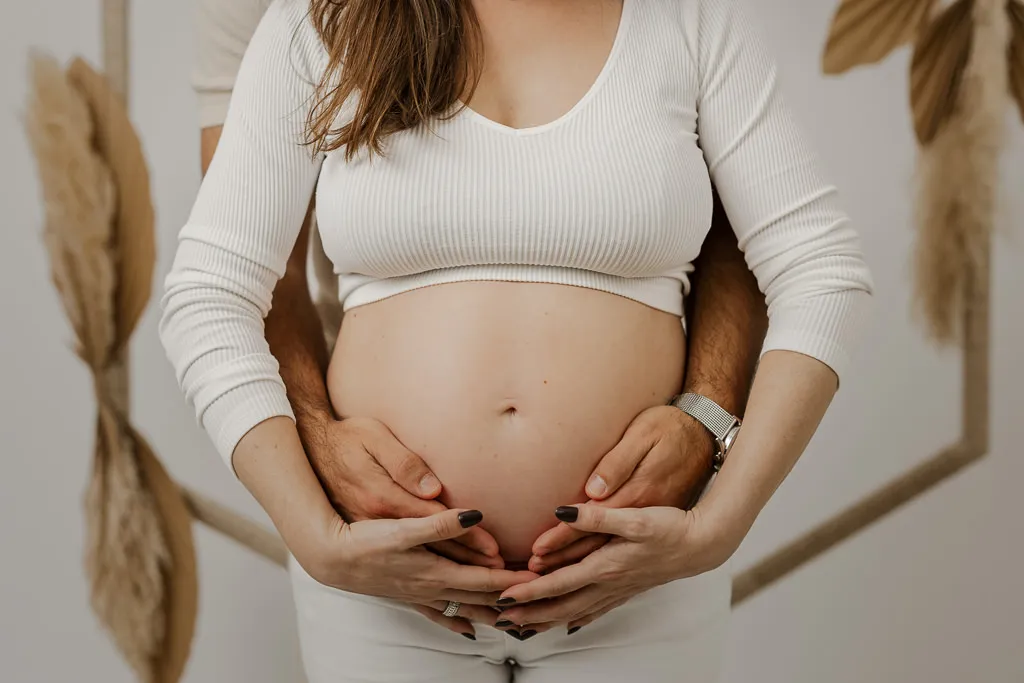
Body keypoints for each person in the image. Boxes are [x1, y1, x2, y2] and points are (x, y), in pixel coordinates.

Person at [164, 0, 872, 680]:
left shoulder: (691, 18)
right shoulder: (321, 24)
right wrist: (317, 538)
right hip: (387, 587)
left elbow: (821, 269)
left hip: (635, 579)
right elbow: (210, 294)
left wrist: (719, 525)